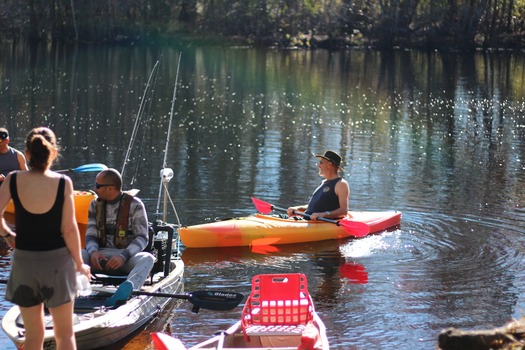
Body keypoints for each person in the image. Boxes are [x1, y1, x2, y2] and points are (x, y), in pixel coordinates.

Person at [0, 127, 91, 350]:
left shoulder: (12, 180)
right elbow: (69, 229)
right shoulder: (62, 183)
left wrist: (8, 235)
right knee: (65, 335)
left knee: (33, 336)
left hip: (24, 264)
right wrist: (80, 264)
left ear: (27, 154)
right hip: (57, 265)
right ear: (53, 152)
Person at [82, 168, 154, 307]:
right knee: (75, 255)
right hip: (99, 256)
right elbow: (90, 235)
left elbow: (142, 237)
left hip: (126, 258)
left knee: (148, 259)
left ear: (110, 188)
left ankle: (128, 291)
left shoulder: (135, 205)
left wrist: (123, 256)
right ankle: (71, 292)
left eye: (97, 185)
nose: (94, 189)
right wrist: (93, 252)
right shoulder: (94, 205)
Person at [287, 150, 349, 220]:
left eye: (321, 163)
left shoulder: (341, 184)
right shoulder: (323, 182)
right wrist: (298, 208)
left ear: (329, 165)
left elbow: (343, 211)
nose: (318, 165)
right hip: (307, 219)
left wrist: (324, 214)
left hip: (318, 223)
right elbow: (315, 206)